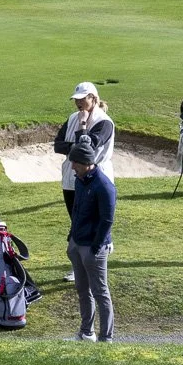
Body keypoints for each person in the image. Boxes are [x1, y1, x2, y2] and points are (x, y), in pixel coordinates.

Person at [52, 82, 115, 280]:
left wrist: (83, 126)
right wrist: (76, 144)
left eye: (83, 98)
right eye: (76, 99)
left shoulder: (104, 122)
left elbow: (88, 149)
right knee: (76, 221)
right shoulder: (72, 117)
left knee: (94, 221)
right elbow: (57, 145)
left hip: (96, 178)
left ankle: (99, 254)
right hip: (71, 179)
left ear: (93, 99)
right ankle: (79, 266)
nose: (78, 102)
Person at [65, 133, 117, 342]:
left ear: (87, 163)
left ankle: (106, 337)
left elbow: (107, 220)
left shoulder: (104, 186)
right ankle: (87, 333)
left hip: (93, 248)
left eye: (75, 163)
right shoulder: (80, 180)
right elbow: (77, 209)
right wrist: (71, 237)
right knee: (82, 290)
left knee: (100, 292)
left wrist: (96, 247)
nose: (72, 167)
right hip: (77, 243)